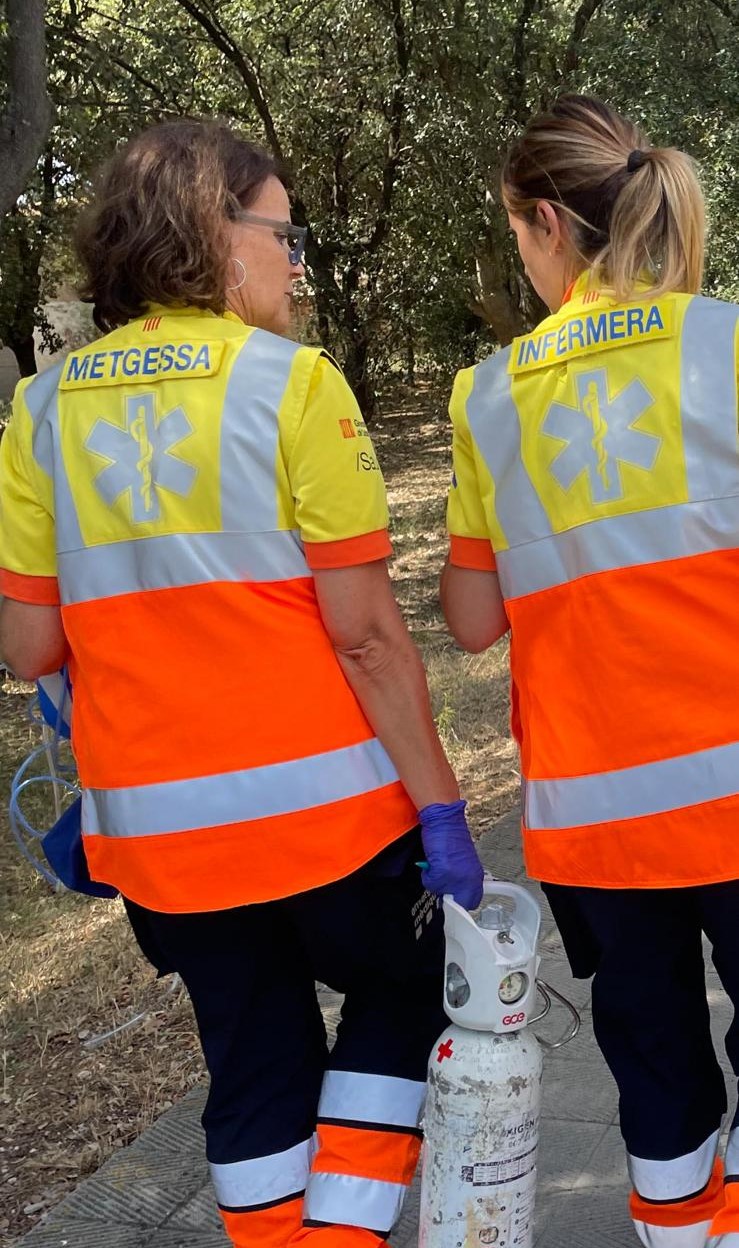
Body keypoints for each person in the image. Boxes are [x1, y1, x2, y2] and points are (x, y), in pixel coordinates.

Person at [0, 119, 484, 1248]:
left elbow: (26, 646)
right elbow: (366, 638)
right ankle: (344, 1233)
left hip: (164, 834)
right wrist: (444, 810)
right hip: (330, 821)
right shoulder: (291, 387)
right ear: (218, 238)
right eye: (284, 233)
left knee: (252, 1054)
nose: (296, 260)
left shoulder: (40, 413)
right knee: (405, 989)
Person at [440, 93, 739, 1248]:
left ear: (542, 225)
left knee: (652, 1057)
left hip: (600, 812)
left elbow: (470, 621)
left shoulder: (489, 396)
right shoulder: (724, 342)